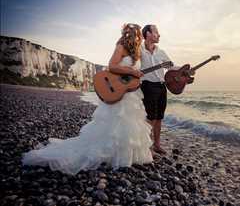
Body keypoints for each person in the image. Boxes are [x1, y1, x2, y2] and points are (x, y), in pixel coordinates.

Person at [22, 23, 154, 175]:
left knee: (131, 123)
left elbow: (134, 72)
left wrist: (136, 74)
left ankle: (127, 156)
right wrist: (130, 70)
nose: (137, 37)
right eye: (136, 34)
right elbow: (111, 66)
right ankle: (113, 153)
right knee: (117, 122)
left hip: (132, 93)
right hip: (119, 93)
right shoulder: (121, 46)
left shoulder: (137, 52)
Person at [140, 24, 194, 155]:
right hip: (147, 85)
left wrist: (185, 71)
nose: (159, 35)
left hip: (161, 86)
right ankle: (145, 147)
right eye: (156, 32)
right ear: (147, 34)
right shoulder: (139, 50)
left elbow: (171, 67)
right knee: (150, 117)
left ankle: (157, 145)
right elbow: (134, 67)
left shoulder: (161, 52)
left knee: (159, 117)